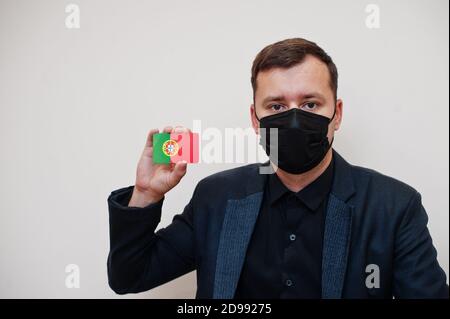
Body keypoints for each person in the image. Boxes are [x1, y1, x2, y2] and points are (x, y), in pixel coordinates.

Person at [107, 38, 448, 298]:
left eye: (310, 103)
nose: (295, 119)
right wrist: (145, 195)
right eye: (277, 105)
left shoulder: (394, 206)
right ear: (255, 118)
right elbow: (129, 277)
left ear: (337, 114)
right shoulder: (216, 197)